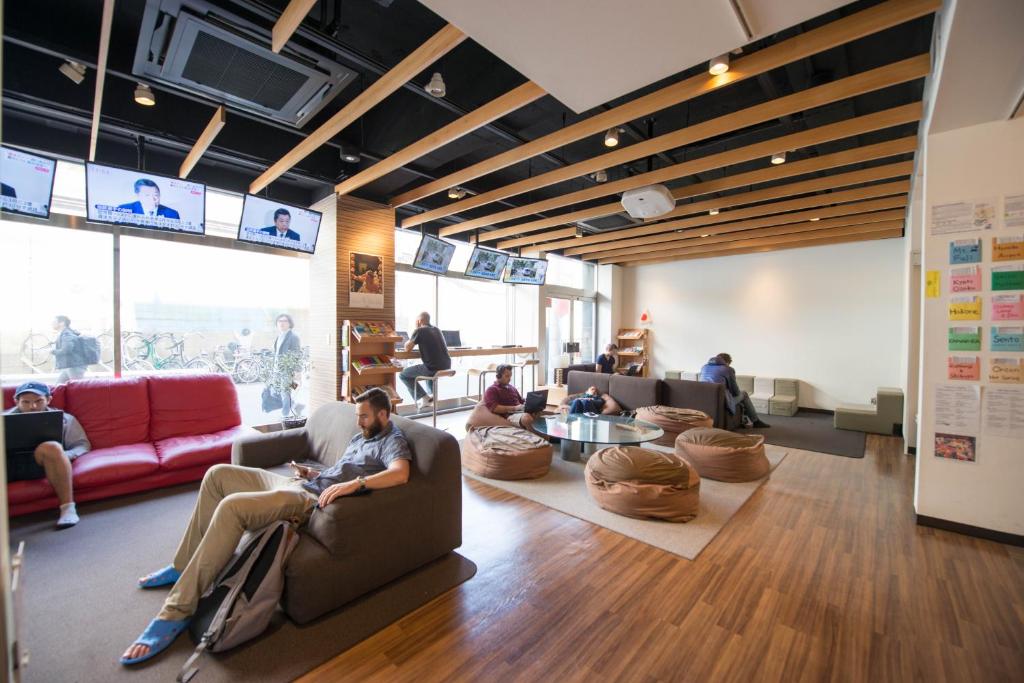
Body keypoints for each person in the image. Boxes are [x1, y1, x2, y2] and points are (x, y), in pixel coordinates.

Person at [120, 388, 410, 665]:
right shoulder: (362, 437)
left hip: (305, 499)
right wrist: (312, 472)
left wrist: (354, 484)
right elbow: (337, 472)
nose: (358, 422)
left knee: (232, 507)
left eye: (364, 416)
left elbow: (400, 474)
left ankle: (176, 611)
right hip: (301, 482)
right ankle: (184, 565)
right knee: (217, 475)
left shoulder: (392, 440)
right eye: (357, 415)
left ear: (384, 415)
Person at [5, 381, 91, 528]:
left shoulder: (65, 419)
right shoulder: (3, 419)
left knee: (52, 447)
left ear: (49, 400)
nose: (32, 407)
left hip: (43, 463)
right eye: (26, 402)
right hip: (8, 463)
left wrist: (63, 456)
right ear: (16, 401)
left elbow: (82, 445)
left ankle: (68, 509)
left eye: (38, 401)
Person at [699, 353, 770, 428]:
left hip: (704, 400)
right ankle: (755, 421)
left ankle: (743, 420)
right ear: (727, 362)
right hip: (721, 401)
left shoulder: (704, 367)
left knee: (738, 400)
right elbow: (735, 391)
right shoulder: (728, 369)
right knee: (744, 394)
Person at [400, 312, 451, 410]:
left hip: (433, 368)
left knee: (403, 375)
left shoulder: (419, 331)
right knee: (428, 368)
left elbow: (407, 348)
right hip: (447, 366)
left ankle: (424, 398)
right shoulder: (437, 330)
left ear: (419, 321)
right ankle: (432, 397)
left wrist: (415, 330)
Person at [483, 364, 537, 429]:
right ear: (498, 376)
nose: (509, 379)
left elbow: (522, 401)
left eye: (510, 376)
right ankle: (543, 438)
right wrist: (515, 408)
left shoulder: (512, 388)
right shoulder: (491, 389)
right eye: (507, 376)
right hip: (510, 415)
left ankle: (550, 437)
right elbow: (495, 408)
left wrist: (532, 403)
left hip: (521, 411)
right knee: (527, 418)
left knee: (542, 413)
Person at [272, 313, 303, 417]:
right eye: (280, 321)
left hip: (288, 371)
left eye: (285, 321)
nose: (282, 323)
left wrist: (297, 372)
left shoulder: (293, 337)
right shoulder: (279, 336)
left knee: (285, 394)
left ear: (290, 323)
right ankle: (296, 405)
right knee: (274, 392)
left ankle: (285, 416)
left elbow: (297, 355)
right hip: (277, 371)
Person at [52, 315, 87, 382]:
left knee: (77, 389)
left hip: (75, 366)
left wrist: (53, 351)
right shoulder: (67, 333)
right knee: (58, 387)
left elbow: (66, 350)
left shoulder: (66, 334)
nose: (52, 323)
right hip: (70, 365)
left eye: (54, 321)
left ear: (62, 323)